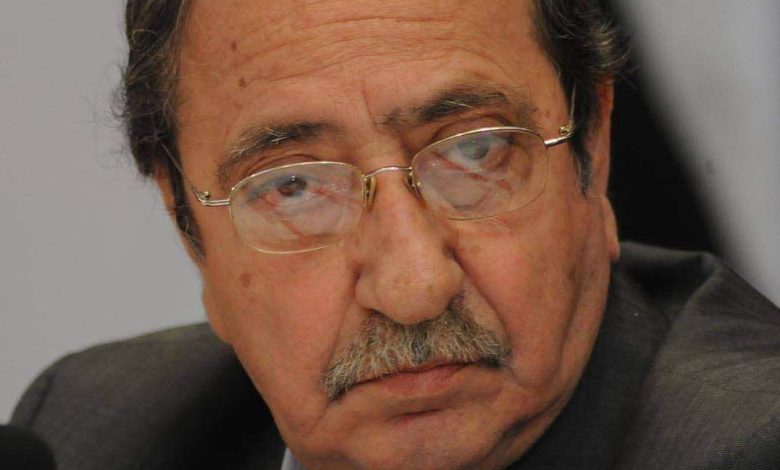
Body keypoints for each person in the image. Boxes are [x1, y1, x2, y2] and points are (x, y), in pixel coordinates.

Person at [10, 1, 780, 469]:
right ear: (187, 223)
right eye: (293, 186)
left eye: (475, 152)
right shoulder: (94, 434)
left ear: (595, 150)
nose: (414, 288)